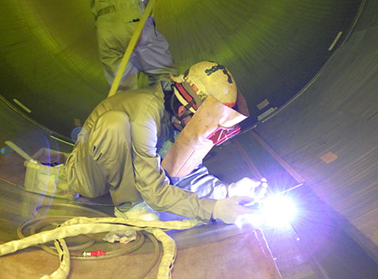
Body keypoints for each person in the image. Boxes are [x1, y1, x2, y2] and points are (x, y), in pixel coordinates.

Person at [63, 61, 265, 225]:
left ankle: (127, 196)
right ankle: (128, 206)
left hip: (120, 176)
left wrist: (227, 192)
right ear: (182, 110)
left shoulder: (181, 122)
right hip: (89, 179)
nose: (210, 131)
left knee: (154, 164)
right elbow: (156, 193)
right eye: (208, 123)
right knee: (115, 122)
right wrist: (212, 210)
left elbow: (185, 174)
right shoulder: (146, 116)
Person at [91, 0, 177, 91]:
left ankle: (125, 102)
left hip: (103, 25)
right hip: (129, 14)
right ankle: (166, 102)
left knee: (123, 88)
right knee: (164, 72)